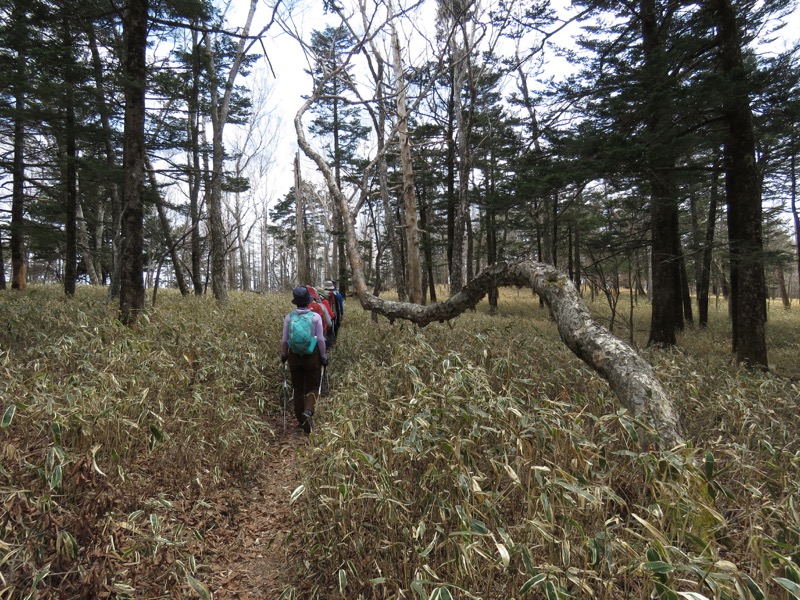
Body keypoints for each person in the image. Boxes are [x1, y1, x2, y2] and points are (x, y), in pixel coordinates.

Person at [281, 286, 328, 434]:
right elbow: (320, 339)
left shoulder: (289, 317)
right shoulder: (315, 317)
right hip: (312, 356)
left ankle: (301, 421)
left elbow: (284, 340)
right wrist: (323, 356)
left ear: (295, 302)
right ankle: (308, 412)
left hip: (294, 356)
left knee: (298, 389)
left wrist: (284, 355)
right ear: (308, 301)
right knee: (313, 386)